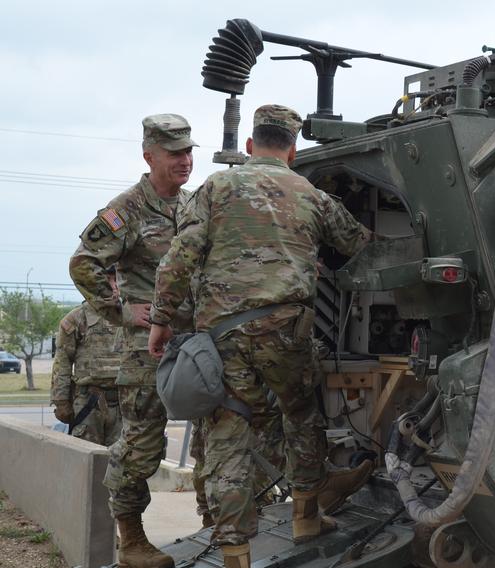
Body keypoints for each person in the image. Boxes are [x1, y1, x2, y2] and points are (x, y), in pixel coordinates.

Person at [148, 104, 374, 567]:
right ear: (292, 150)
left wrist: (161, 319)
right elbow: (357, 244)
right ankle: (306, 517)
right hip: (288, 330)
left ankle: (234, 550)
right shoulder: (311, 194)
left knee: (229, 429)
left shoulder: (216, 186)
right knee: (300, 414)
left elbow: (179, 256)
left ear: (250, 146)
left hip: (224, 337)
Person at [70, 113, 197, 568]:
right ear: (149, 156)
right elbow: (83, 263)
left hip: (196, 343)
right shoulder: (127, 209)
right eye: (175, 153)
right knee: (142, 443)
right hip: (148, 349)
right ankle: (132, 540)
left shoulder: (192, 204)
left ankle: (217, 521)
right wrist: (122, 311)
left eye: (188, 152)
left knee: (215, 434)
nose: (184, 161)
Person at [51, 268, 122, 446]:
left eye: (118, 280)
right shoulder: (76, 319)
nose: (114, 287)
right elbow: (62, 362)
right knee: (87, 462)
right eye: (108, 280)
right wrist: (61, 402)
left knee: (122, 465)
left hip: (124, 403)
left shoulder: (130, 317)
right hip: (89, 403)